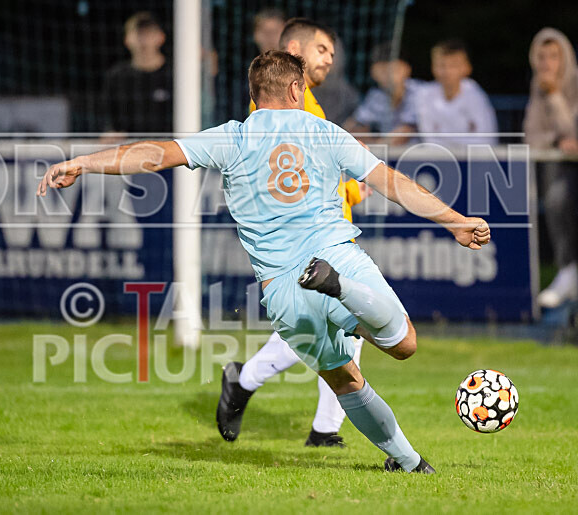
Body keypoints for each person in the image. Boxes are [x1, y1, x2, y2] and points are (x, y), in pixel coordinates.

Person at [38, 51, 491, 473]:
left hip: (282, 290)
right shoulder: (325, 131)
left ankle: (408, 463)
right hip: (334, 258)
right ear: (297, 91)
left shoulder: (233, 136)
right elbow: (392, 182)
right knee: (404, 344)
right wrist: (453, 221)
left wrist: (84, 162)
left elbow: (156, 155)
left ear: (253, 95)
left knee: (345, 380)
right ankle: (343, 290)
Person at [243, 18, 367, 449]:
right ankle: (245, 383)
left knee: (329, 327)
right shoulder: (278, 106)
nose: (329, 58)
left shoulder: (311, 106)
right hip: (305, 238)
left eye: (332, 52)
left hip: (329, 232)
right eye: (322, 50)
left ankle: (321, 427)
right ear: (295, 48)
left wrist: (351, 186)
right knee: (332, 325)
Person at [523, 28, 578, 308]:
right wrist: (558, 140)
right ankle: (567, 270)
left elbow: (574, 133)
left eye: (553, 56)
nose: (546, 64)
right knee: (556, 194)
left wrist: (556, 96)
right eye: (541, 57)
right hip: (562, 171)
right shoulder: (538, 88)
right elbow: (533, 137)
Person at [415, 39, 498, 146]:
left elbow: (485, 140)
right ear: (433, 67)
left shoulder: (475, 95)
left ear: (467, 68)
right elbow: (429, 139)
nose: (447, 71)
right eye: (442, 65)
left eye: (454, 65)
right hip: (437, 159)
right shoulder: (424, 94)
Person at [102, 12, 172, 134]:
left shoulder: (176, 74)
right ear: (127, 39)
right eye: (138, 33)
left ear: (161, 37)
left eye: (148, 33)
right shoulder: (116, 76)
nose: (143, 39)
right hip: (131, 149)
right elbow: (109, 119)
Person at [344, 42, 422, 145]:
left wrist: (374, 144)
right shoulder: (376, 96)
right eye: (382, 70)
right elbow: (351, 128)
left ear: (407, 69)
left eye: (394, 69)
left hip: (429, 155)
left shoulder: (420, 92)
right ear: (373, 72)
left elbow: (404, 134)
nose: (388, 75)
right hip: (388, 155)